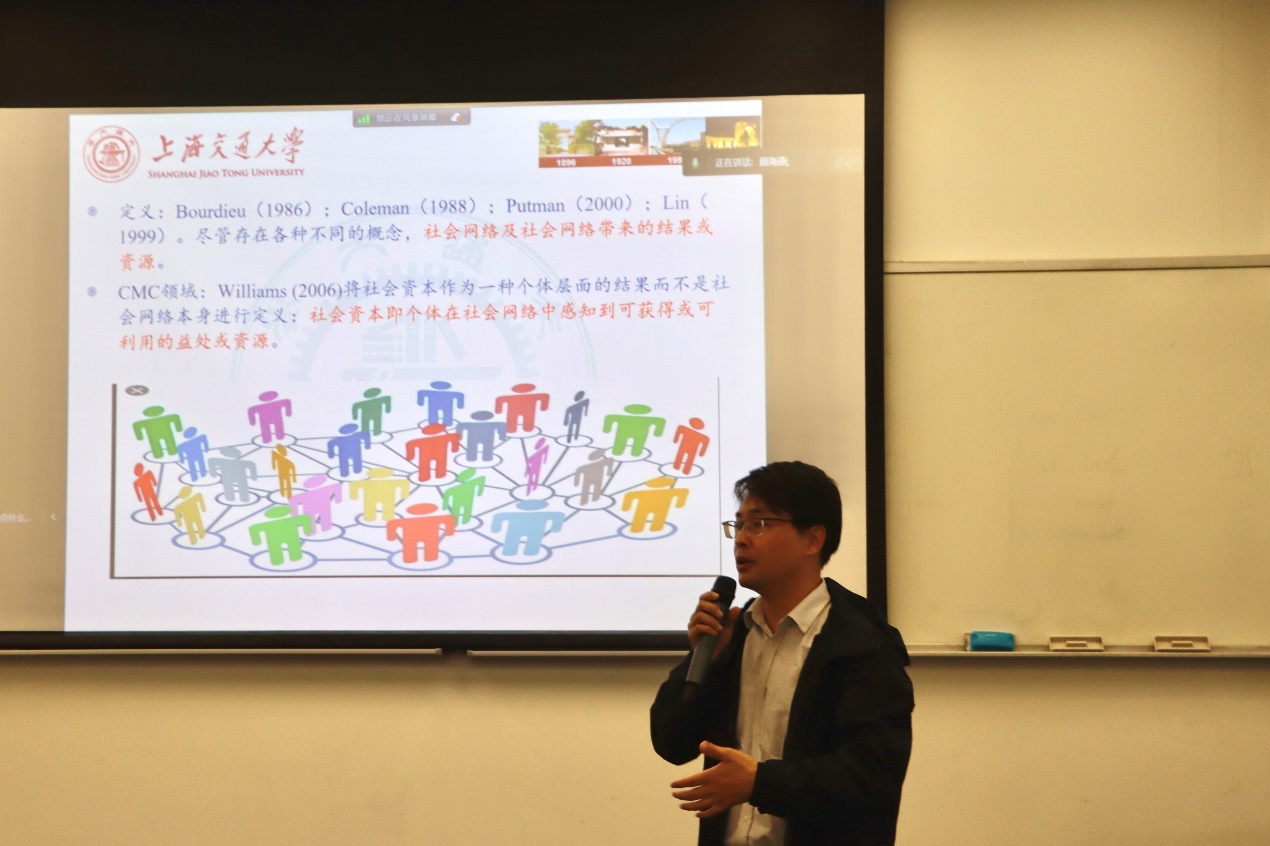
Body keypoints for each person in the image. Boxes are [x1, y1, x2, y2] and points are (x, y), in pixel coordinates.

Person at [650, 461, 913, 846]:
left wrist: (761, 783)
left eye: (758, 523)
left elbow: (872, 777)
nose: (741, 539)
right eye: (738, 525)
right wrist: (704, 659)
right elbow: (671, 742)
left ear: (812, 540)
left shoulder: (862, 643)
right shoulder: (734, 634)